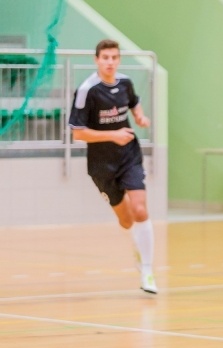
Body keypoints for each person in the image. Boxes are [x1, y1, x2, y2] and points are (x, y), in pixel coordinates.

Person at [68, 39, 157, 294]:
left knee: (140, 210)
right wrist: (112, 134)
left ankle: (148, 272)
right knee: (127, 221)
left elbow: (134, 102)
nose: (110, 62)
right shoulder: (88, 90)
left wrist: (139, 116)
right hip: (101, 166)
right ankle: (137, 248)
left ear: (118, 60)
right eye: (105, 57)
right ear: (97, 60)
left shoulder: (125, 83)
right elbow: (78, 133)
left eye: (114, 57)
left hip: (129, 155)